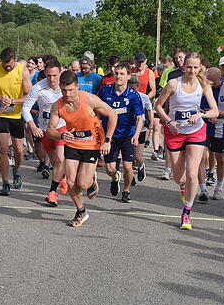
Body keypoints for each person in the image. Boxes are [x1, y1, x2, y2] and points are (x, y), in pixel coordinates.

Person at [154, 52, 219, 230]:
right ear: (184, 67)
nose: (191, 70)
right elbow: (157, 105)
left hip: (196, 131)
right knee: (179, 176)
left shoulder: (203, 85)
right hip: (175, 131)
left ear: (200, 68)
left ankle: (186, 213)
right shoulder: (174, 84)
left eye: (195, 67)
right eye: (189, 67)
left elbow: (215, 111)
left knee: (192, 173)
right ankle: (183, 186)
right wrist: (169, 122)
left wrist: (202, 114)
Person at [47, 70, 116, 227]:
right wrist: (61, 136)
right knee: (71, 182)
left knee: (83, 184)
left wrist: (108, 140)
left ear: (77, 86)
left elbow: (112, 115)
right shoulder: (57, 106)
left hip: (92, 144)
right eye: (64, 90)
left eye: (70, 90)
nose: (67, 94)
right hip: (72, 143)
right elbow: (50, 130)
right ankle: (81, 211)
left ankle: (91, 181)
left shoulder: (90, 99)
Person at [0, 47, 32, 196]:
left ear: (15, 60)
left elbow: (29, 96)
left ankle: (17, 171)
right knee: (3, 148)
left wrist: (13, 101)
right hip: (1, 114)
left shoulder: (22, 70)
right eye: (5, 66)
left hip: (17, 115)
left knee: (18, 150)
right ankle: (5, 182)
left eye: (10, 65)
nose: (8, 68)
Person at [22, 58, 67, 206]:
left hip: (62, 127)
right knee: (53, 161)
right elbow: (25, 108)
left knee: (60, 158)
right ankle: (63, 175)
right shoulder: (38, 87)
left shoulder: (66, 86)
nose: (52, 79)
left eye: (55, 75)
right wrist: (32, 126)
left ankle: (52, 193)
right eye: (48, 76)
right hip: (44, 129)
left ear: (60, 73)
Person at [97, 63, 144, 203]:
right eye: (117, 73)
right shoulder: (105, 91)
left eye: (122, 74)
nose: (118, 76)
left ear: (129, 76)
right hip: (109, 136)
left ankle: (126, 190)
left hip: (127, 135)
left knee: (128, 166)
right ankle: (114, 177)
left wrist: (136, 135)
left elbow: (140, 117)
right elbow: (97, 111)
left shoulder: (134, 95)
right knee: (110, 168)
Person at [198, 67, 224, 201]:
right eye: (208, 80)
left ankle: (219, 187)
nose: (209, 83)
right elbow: (199, 107)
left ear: (220, 79)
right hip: (203, 126)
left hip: (220, 126)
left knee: (220, 157)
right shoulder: (203, 89)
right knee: (201, 156)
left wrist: (217, 114)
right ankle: (203, 189)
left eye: (212, 81)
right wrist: (206, 115)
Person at [159, 49, 188, 180]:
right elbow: (166, 95)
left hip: (189, 114)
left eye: (180, 58)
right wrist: (164, 113)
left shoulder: (193, 73)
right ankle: (167, 169)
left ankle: (186, 169)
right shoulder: (172, 74)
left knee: (186, 142)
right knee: (169, 142)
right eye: (176, 58)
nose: (178, 60)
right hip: (172, 112)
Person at [128, 74, 152, 184]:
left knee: (137, 157)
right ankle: (130, 177)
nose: (132, 91)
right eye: (129, 88)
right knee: (129, 157)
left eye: (133, 88)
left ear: (137, 86)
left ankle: (141, 165)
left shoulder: (144, 97)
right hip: (129, 129)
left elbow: (149, 109)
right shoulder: (125, 96)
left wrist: (150, 122)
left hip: (141, 129)